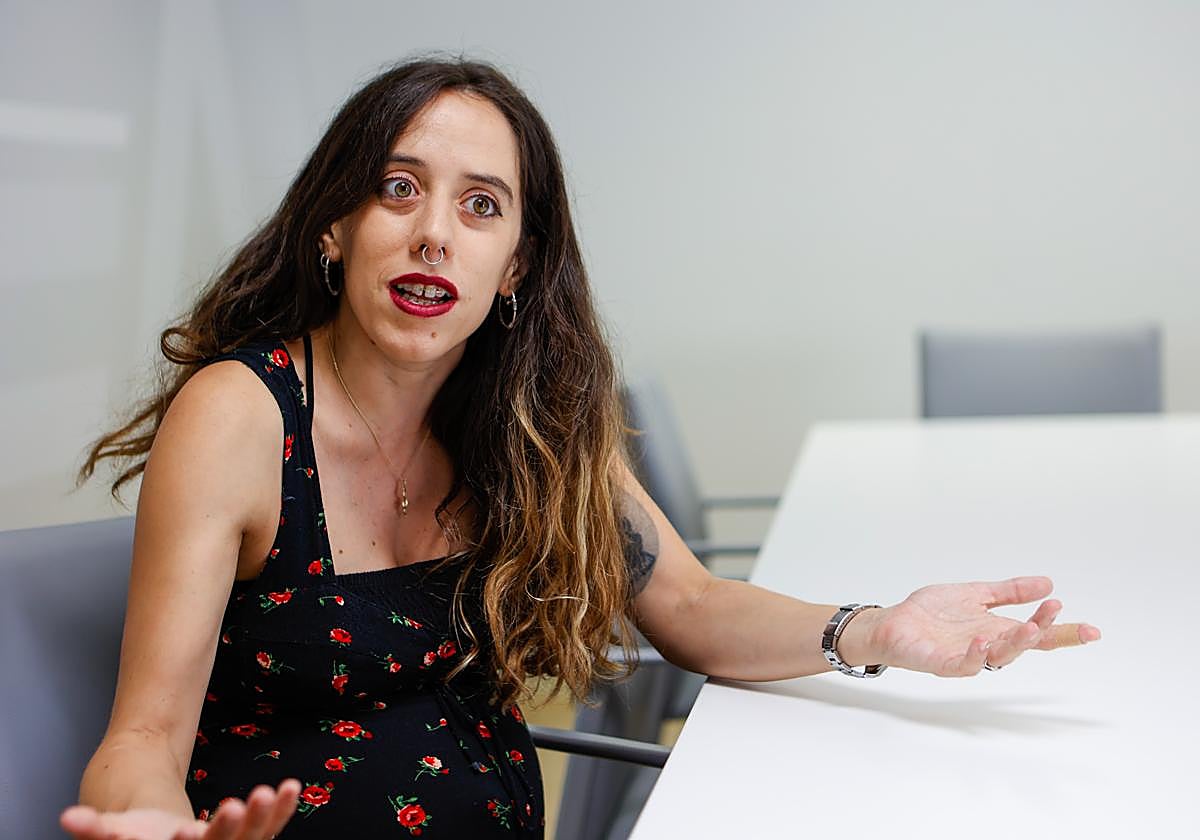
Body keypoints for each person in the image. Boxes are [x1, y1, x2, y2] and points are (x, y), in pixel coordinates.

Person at [60, 57, 1100, 840]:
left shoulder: (524, 422)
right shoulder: (240, 417)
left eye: (481, 206)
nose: (435, 234)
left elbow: (688, 608)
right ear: (331, 229)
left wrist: (881, 631)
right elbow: (142, 744)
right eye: (397, 188)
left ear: (514, 266)